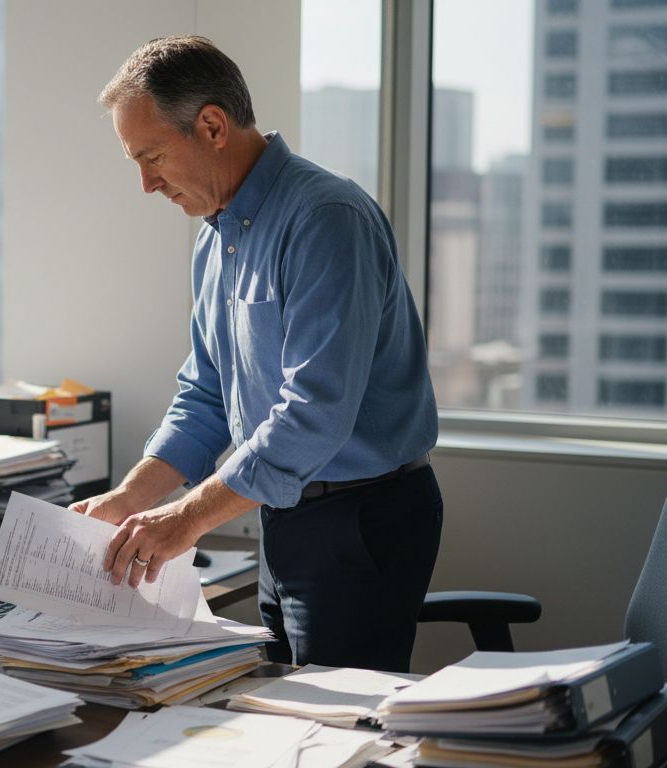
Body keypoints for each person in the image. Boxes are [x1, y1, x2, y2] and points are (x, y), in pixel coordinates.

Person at [73, 35, 442, 673]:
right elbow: (206, 395)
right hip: (284, 515)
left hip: (360, 518)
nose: (146, 183)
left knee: (333, 734)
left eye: (152, 156)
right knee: (276, 712)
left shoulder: (326, 219)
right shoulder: (215, 242)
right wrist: (132, 498)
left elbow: (314, 414)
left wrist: (184, 518)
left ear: (212, 125)